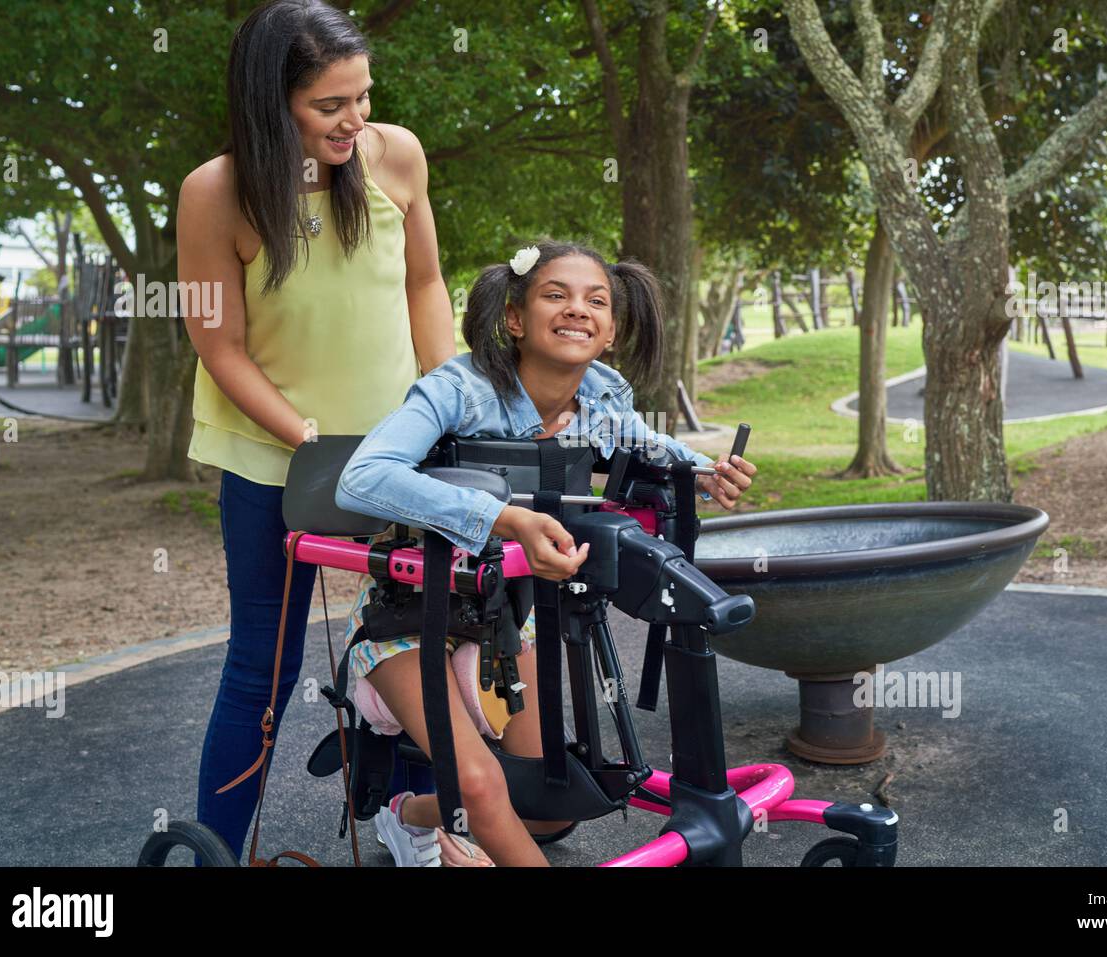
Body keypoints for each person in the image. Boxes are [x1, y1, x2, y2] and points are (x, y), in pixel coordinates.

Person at [334, 240, 758, 866]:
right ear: (514, 319)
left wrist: (703, 472)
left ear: (611, 330)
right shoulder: (458, 388)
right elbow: (361, 478)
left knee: (550, 800)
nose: (577, 310)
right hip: (407, 615)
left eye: (596, 301)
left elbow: (649, 445)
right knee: (480, 784)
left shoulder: (602, 401)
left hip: (508, 617)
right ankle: (459, 807)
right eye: (555, 295)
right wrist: (503, 518)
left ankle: (408, 817)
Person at [178, 0, 460, 864]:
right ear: (273, 103)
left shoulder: (396, 156)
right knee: (261, 662)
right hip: (274, 459)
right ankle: (216, 850)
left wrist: (443, 403)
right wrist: (303, 434)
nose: (355, 119)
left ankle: (416, 820)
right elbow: (215, 339)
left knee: (433, 634)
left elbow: (425, 285)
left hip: (399, 456)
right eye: (328, 105)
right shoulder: (214, 192)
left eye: (362, 95)